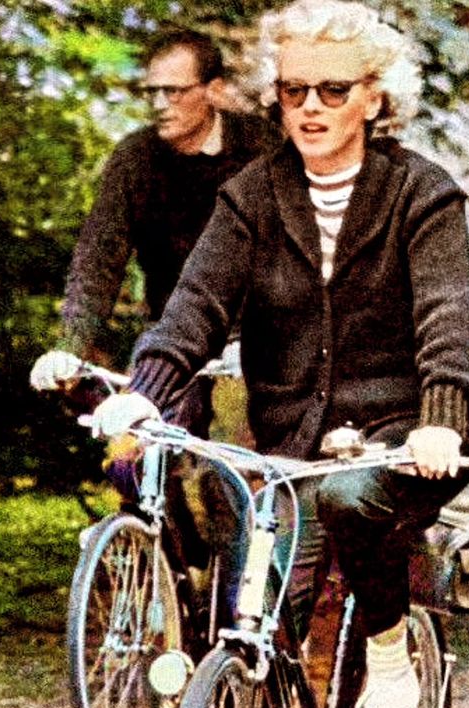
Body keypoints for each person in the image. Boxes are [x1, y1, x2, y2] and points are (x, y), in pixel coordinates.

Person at [90, 0, 469, 708]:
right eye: (292, 90)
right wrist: (147, 390)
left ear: (375, 97)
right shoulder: (252, 193)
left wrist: (439, 419)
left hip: (407, 431)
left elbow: (446, 319)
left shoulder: (421, 194)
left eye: (332, 90)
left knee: (349, 502)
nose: (309, 107)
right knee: (261, 604)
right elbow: (195, 306)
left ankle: (390, 653)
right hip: (291, 441)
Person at [31, 26, 278, 568]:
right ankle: (176, 568)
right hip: (176, 337)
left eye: (175, 91)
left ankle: (240, 615)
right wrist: (71, 346)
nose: (161, 105)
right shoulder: (136, 159)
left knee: (229, 473)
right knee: (132, 455)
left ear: (212, 90)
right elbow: (98, 258)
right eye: (152, 94)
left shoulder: (261, 150)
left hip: (255, 341)